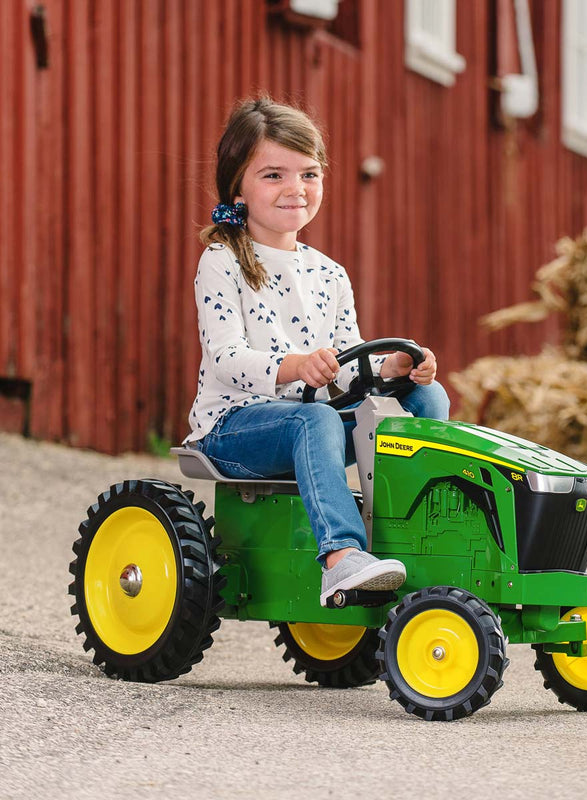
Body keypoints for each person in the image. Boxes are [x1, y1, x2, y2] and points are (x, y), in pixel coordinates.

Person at [184, 96, 450, 606]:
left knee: (427, 398)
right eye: (273, 175)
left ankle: (414, 532)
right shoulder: (222, 261)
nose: (296, 188)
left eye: (309, 174)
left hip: (309, 425)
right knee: (316, 419)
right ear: (238, 188)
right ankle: (341, 556)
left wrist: (394, 367)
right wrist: (297, 366)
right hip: (235, 428)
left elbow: (349, 368)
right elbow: (227, 359)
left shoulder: (329, 273)